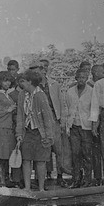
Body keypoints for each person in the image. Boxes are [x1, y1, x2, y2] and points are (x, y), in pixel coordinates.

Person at [15, 69, 56, 192]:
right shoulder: (22, 95)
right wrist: (19, 133)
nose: (22, 84)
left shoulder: (40, 95)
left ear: (30, 82)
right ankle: (27, 188)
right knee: (26, 160)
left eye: (24, 81)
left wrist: (48, 136)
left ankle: (41, 188)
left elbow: (48, 118)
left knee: (40, 161)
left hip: (40, 133)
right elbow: (20, 116)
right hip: (27, 132)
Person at [64, 66, 94, 187]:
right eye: (79, 77)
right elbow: (67, 108)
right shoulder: (70, 91)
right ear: (76, 78)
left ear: (87, 78)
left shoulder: (91, 91)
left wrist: (94, 126)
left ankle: (87, 179)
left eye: (84, 77)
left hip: (86, 127)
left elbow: (94, 109)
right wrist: (66, 125)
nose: (81, 79)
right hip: (74, 126)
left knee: (87, 154)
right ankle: (76, 178)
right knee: (75, 154)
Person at [39, 58, 65, 186]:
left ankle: (60, 175)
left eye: (45, 67)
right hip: (41, 123)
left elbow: (60, 102)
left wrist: (62, 121)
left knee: (58, 150)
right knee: (44, 150)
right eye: (41, 67)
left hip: (54, 120)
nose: (43, 69)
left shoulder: (54, 84)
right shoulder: (35, 85)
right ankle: (45, 176)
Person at [89, 63, 104, 181]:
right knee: (95, 151)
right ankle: (98, 176)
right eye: (101, 72)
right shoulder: (89, 86)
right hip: (92, 122)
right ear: (95, 73)